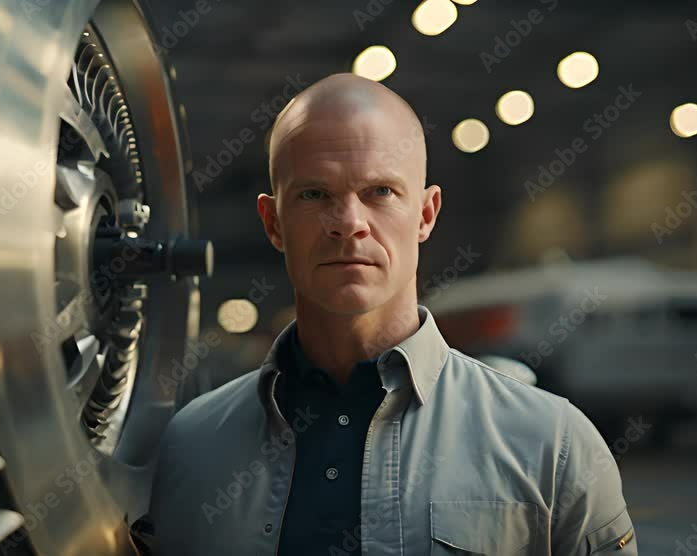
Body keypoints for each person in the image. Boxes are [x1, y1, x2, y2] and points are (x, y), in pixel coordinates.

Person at [140, 73, 637, 555]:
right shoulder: (190, 448)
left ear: (425, 214)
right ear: (273, 223)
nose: (350, 224)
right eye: (315, 194)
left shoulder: (552, 445)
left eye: (380, 192)